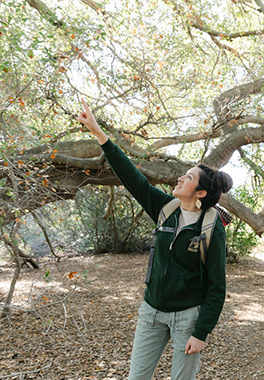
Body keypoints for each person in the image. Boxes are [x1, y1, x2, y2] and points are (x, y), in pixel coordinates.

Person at [76, 99, 233, 380]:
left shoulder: (211, 227)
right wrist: (100, 134)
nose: (180, 179)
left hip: (187, 317)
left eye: (188, 178)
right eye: (183, 175)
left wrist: (201, 333)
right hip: (151, 312)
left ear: (200, 194)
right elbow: (132, 178)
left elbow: (217, 286)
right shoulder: (165, 208)